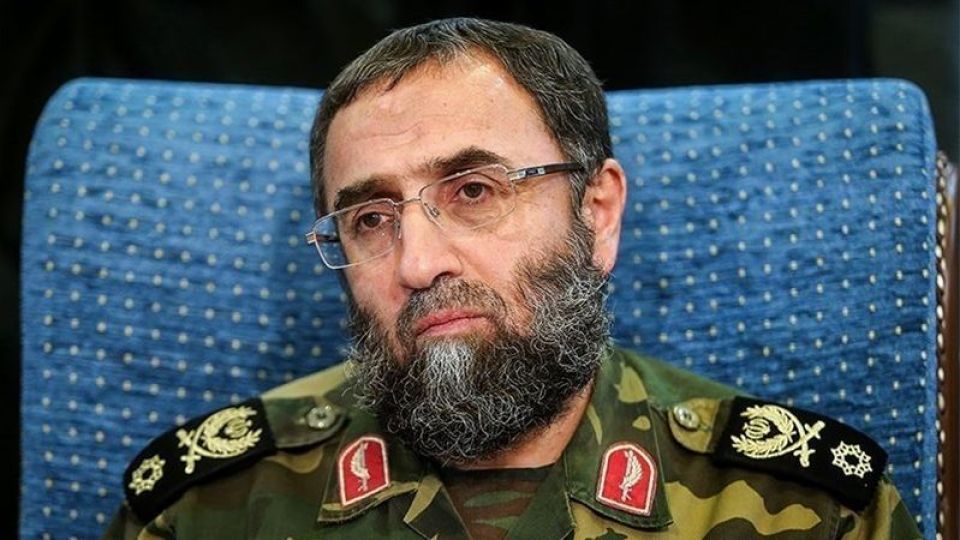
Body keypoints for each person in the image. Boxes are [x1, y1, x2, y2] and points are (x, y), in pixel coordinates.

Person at [105, 18, 922, 539]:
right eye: (371, 219)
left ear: (597, 211)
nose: (419, 263)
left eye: (474, 192)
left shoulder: (811, 512)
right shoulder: (202, 509)